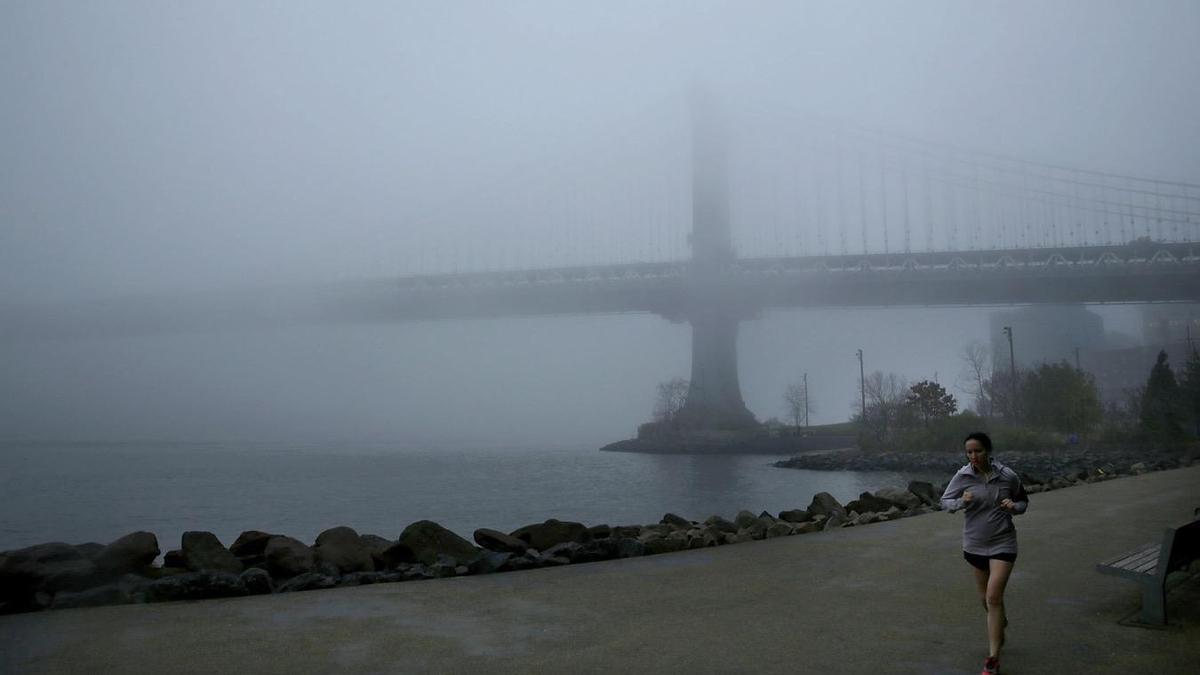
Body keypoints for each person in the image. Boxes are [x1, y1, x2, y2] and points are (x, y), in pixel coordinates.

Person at [940, 432, 1029, 675]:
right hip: (975, 545)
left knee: (992, 597)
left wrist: (1014, 507)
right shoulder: (963, 476)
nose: (973, 456)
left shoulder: (1007, 475)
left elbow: (1023, 502)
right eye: (969, 452)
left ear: (988, 450)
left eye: (977, 450)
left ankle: (993, 659)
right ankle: (1001, 623)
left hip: (1003, 542)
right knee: (985, 600)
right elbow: (944, 501)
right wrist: (961, 502)